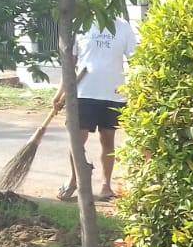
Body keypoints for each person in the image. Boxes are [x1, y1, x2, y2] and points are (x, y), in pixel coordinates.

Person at [57, 16, 137, 202]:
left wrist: (134, 90)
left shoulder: (123, 27)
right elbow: (70, 64)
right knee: (77, 140)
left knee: (108, 140)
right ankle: (74, 181)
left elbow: (135, 61)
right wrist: (59, 93)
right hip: (83, 93)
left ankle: (105, 186)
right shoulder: (81, 25)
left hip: (114, 95)